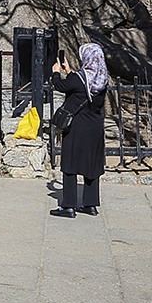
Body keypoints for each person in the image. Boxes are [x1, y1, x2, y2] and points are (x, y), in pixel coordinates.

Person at [49, 42, 109, 218]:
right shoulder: (102, 78)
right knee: (92, 164)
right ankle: (90, 204)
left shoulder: (79, 79)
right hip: (95, 126)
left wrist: (56, 72)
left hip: (77, 127)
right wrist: (69, 72)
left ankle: (68, 205)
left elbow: (61, 85)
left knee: (70, 164)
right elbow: (79, 87)